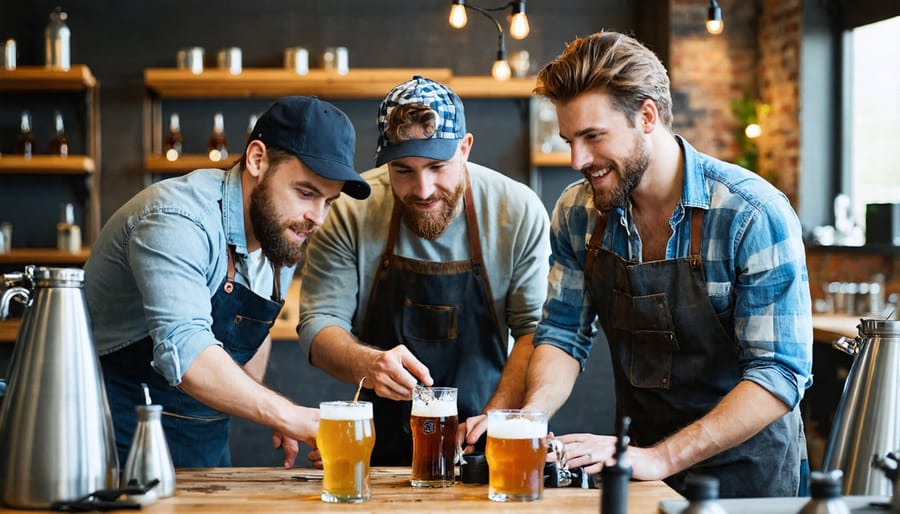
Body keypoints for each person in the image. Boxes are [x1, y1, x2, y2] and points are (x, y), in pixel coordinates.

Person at [519, 32, 813, 498]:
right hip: (638, 472)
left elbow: (779, 373)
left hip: (747, 479)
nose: (576, 160)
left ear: (647, 116)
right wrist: (530, 422)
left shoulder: (752, 213)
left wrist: (660, 457)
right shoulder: (579, 213)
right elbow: (562, 332)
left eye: (593, 137)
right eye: (569, 140)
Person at [84, 96, 371, 468]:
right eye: (305, 192)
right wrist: (286, 414)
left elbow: (247, 337)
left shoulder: (278, 232)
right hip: (115, 444)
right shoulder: (176, 219)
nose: (316, 217)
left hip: (205, 449)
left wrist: (267, 407)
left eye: (328, 202)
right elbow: (186, 352)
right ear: (257, 160)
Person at [297, 76, 551, 465]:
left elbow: (533, 329)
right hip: (374, 446)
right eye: (403, 170)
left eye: (437, 166)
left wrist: (498, 416)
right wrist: (368, 363)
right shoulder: (350, 210)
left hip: (481, 445)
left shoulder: (515, 210)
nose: (423, 188)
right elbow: (318, 324)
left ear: (465, 149)